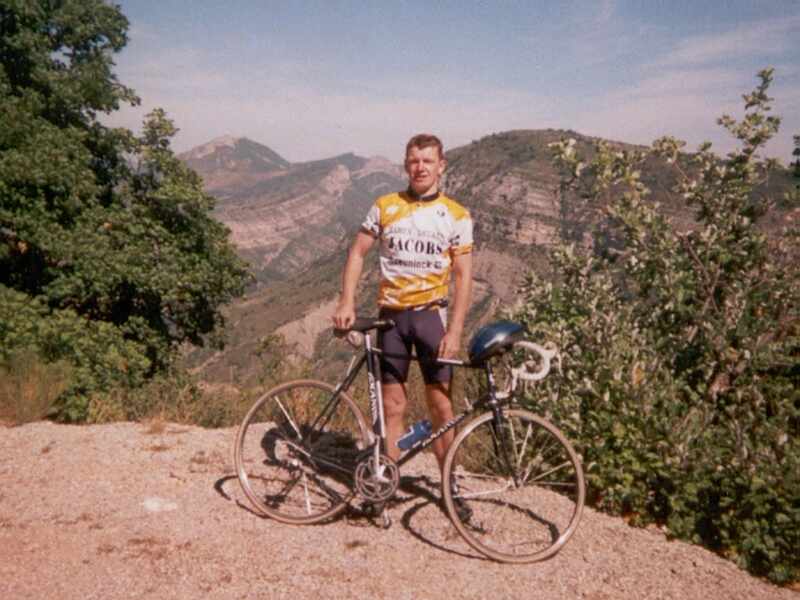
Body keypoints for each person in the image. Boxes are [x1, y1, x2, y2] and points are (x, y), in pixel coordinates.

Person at [332, 133, 473, 511]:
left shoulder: (457, 215)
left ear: (441, 166)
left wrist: (456, 331)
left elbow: (463, 277)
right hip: (391, 320)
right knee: (393, 406)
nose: (420, 167)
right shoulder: (385, 206)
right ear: (405, 164)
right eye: (414, 161)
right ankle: (384, 483)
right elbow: (358, 251)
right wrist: (346, 300)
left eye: (428, 161)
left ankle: (449, 486)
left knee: (441, 406)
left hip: (431, 318)